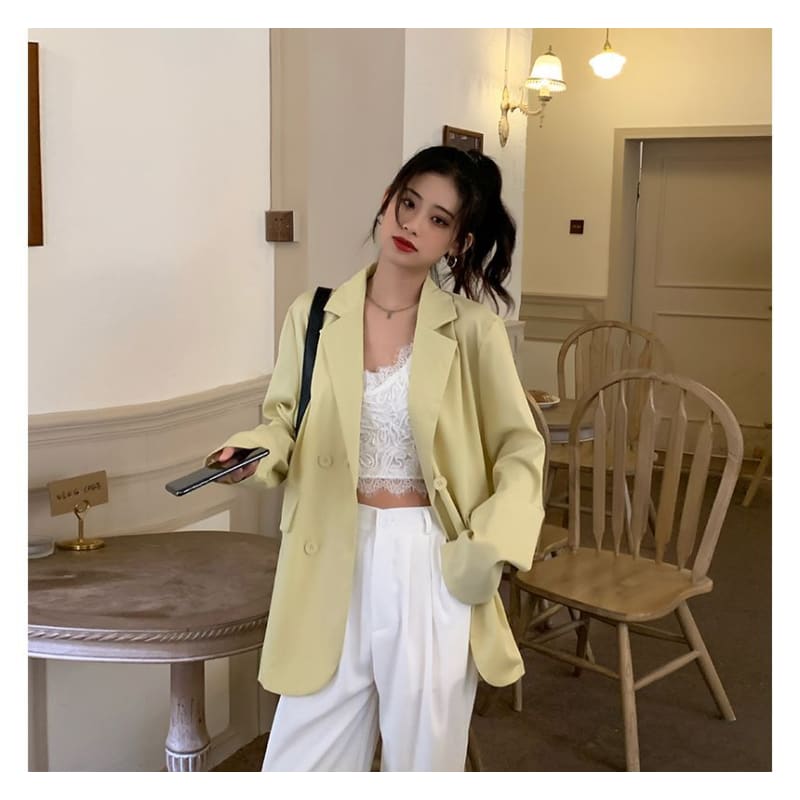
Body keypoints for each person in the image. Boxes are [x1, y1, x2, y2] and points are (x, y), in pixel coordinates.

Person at [207, 145, 545, 771]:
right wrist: (255, 453)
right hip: (329, 551)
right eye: (408, 203)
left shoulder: (473, 329)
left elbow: (520, 447)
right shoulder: (313, 315)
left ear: (459, 243)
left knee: (422, 761)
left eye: (438, 219)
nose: (412, 224)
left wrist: (490, 545)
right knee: (302, 761)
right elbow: (284, 419)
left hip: (429, 560)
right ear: (388, 200)